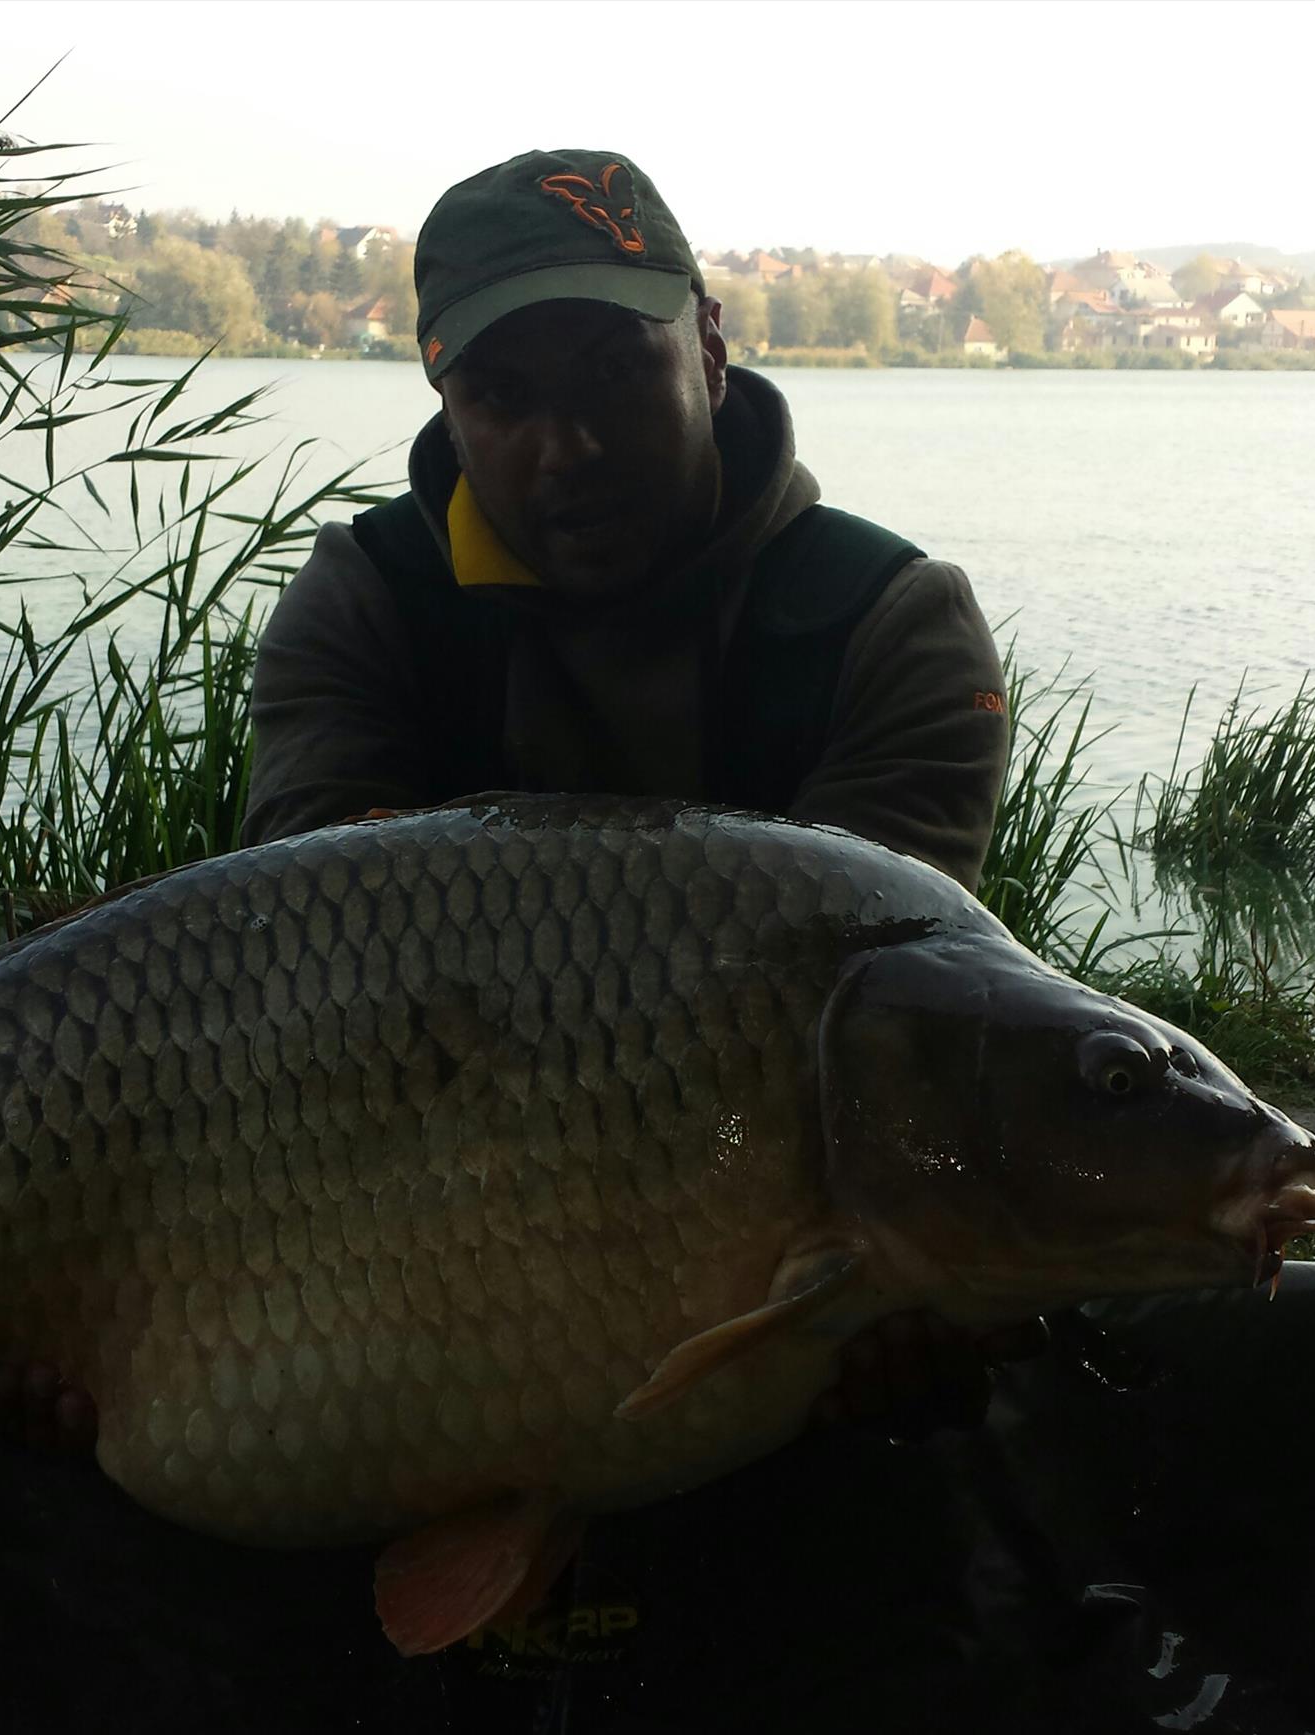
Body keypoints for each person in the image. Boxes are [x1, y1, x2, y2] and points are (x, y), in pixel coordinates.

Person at [241, 148, 1026, 1427]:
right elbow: (311, 999)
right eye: (506, 396)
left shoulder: (891, 626)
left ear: (708, 347)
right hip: (401, 1225)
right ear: (445, 404)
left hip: (744, 1231)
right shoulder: (365, 606)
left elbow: (888, 1049)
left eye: (615, 371)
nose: (573, 446)